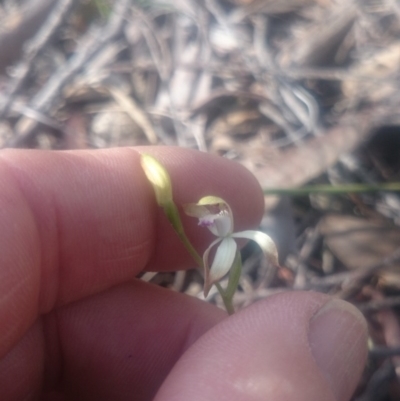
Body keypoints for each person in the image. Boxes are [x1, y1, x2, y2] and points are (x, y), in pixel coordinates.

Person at [0, 147, 367, 401]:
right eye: (210, 212)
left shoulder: (232, 242)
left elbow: (266, 249)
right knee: (221, 295)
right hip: (218, 249)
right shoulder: (214, 247)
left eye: (218, 211)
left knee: (224, 298)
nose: (215, 213)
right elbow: (214, 270)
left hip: (226, 248)